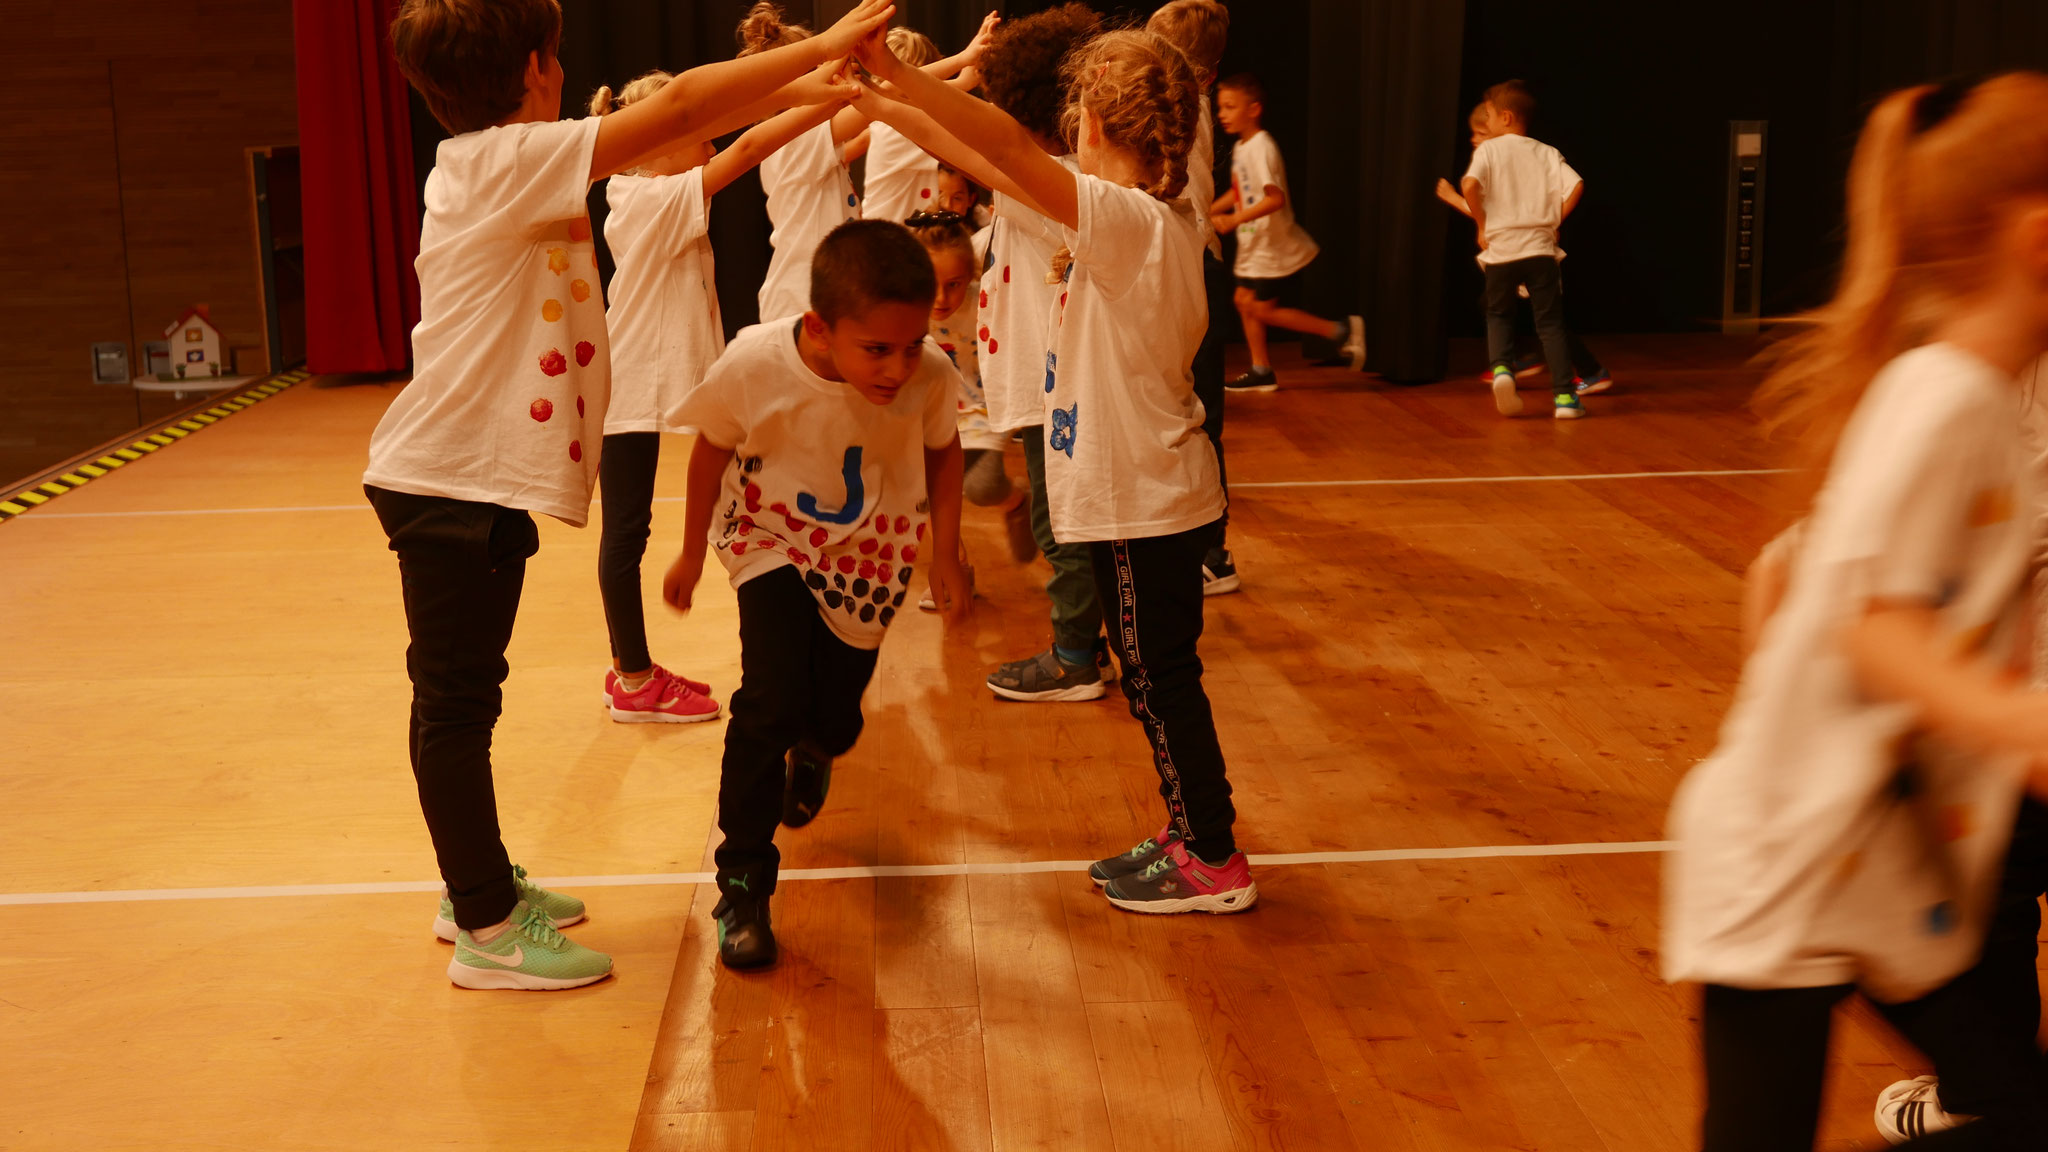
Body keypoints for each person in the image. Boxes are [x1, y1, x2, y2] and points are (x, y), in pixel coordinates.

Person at [365, 0, 889, 990]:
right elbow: (686, 109)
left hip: (466, 483)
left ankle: (472, 879)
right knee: (456, 705)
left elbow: (694, 125)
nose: (563, 68)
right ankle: (479, 919)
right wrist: (816, 52)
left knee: (466, 701)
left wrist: (800, 87)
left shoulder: (502, 160)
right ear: (534, 68)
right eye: (554, 53)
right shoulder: (498, 160)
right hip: (443, 480)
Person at [1663, 73, 2048, 1150]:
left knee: (2014, 1116)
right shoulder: (1944, 401)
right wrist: (2015, 724)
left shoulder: (1973, 403)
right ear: (2037, 240)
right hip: (1788, 865)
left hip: (1876, 865)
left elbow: (1795, 590)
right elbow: (1869, 627)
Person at [854, 25, 1258, 914]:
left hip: (1144, 496)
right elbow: (993, 161)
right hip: (1144, 491)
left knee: (1161, 682)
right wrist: (888, 102)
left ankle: (1212, 856)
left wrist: (897, 75)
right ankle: (1193, 830)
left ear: (1088, 126)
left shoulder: (1130, 221)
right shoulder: (1131, 219)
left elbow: (999, 146)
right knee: (1156, 678)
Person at [662, 220, 968, 969]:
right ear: (819, 330)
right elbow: (712, 448)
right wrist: (691, 548)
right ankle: (742, 887)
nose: (898, 367)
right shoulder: (755, 364)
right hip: (768, 538)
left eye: (912, 345)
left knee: (831, 718)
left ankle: (819, 745)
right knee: (767, 700)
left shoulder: (928, 374)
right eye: (877, 350)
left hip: (871, 551)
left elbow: (944, 451)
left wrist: (947, 554)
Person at [854, 3, 1110, 702]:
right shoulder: (1049, 183)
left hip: (1051, 381)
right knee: (1060, 521)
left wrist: (888, 83)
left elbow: (969, 145)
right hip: (1040, 382)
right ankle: (1088, 646)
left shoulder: (1044, 182)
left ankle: (1075, 656)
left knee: (1062, 529)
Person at [591, 69, 855, 724]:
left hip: (664, 379)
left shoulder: (644, 189)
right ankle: (632, 676)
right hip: (634, 382)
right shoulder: (648, 197)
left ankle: (771, 656)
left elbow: (736, 138)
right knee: (629, 531)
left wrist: (812, 92)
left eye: (707, 137)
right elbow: (746, 149)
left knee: (736, 511)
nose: (708, 147)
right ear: (656, 146)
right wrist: (822, 95)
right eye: (695, 137)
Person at [1148, 0, 1241, 594]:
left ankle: (1213, 552)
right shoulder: (1175, 102)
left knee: (1198, 414)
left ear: (1202, 76)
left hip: (1193, 267)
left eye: (1163, 56)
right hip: (1178, 266)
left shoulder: (1187, 111)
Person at [1437, 102, 1611, 396]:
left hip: (1520, 249)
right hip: (1525, 249)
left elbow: (1492, 207)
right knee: (1517, 311)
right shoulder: (1518, 157)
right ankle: (1522, 364)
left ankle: (1586, 371)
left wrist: (1456, 201)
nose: (1475, 139)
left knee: (1543, 320)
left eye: (1482, 130)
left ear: (1502, 123)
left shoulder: (1500, 157)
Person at [904, 208, 1035, 592]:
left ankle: (1014, 503)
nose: (942, 298)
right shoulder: (905, 307)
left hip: (979, 410)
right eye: (932, 284)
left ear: (971, 278)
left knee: (981, 487)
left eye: (955, 284)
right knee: (925, 495)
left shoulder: (986, 302)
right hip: (925, 414)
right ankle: (954, 567)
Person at [1209, 73, 1365, 394]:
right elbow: (1242, 190)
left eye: (1229, 107)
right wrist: (1211, 209)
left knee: (1259, 308)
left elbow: (1274, 198)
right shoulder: (1241, 147)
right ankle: (1261, 369)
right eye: (1220, 107)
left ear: (1253, 109)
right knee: (1243, 301)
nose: (1221, 114)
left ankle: (1341, 331)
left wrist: (1234, 219)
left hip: (1270, 243)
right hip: (1254, 243)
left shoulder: (1262, 147)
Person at [1460, 79, 1590, 419]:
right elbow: (1576, 185)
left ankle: (1502, 370)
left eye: (1487, 116)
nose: (1484, 125)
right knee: (1550, 325)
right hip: (1541, 251)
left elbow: (1470, 184)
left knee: (1499, 315)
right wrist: (1553, 221)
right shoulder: (1546, 152)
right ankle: (1565, 400)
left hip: (1502, 251)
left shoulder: (1488, 150)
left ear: (1505, 117)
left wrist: (1482, 223)